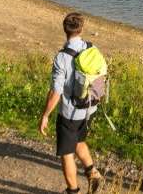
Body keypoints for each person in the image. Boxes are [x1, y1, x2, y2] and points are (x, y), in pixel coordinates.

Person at [39, 11, 104, 194]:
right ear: (81, 29)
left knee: (66, 153)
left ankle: (73, 190)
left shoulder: (62, 57)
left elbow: (56, 91)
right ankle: (93, 173)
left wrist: (45, 115)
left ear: (64, 30)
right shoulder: (91, 48)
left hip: (69, 113)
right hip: (90, 108)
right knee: (79, 140)